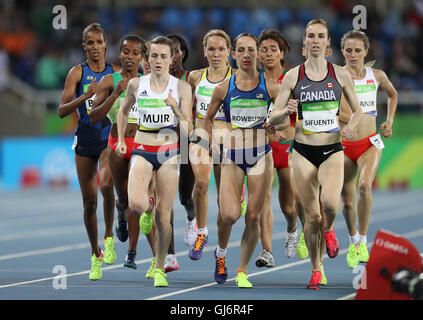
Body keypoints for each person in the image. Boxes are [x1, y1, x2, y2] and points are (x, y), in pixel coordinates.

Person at [269, 19, 362, 290]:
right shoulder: (293, 76)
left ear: (328, 43)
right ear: (305, 42)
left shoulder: (340, 74)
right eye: (311, 36)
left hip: (332, 148)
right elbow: (273, 116)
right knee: (312, 216)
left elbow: (357, 111)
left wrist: (351, 128)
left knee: (331, 206)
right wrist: (285, 111)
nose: (316, 40)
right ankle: (316, 269)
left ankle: (330, 229)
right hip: (302, 150)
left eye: (321, 36)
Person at [116, 36, 193, 287]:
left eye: (163, 56)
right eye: (154, 56)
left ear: (172, 59)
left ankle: (159, 267)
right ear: (147, 59)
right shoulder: (137, 85)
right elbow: (124, 111)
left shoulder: (181, 88)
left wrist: (175, 109)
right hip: (141, 146)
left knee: (164, 215)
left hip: (169, 150)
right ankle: (148, 206)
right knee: (136, 205)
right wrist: (119, 139)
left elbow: (188, 129)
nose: (158, 61)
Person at [205, 33, 280, 288]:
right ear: (234, 55)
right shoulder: (224, 88)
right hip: (234, 156)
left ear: (258, 54)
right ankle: (221, 254)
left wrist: (277, 128)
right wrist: (213, 139)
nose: (247, 55)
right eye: (241, 50)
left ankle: (241, 271)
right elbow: (207, 118)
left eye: (251, 50)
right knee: (228, 215)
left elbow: (285, 123)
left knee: (253, 217)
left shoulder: (270, 87)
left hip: (261, 155)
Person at [89, 33, 158, 278]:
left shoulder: (149, 83)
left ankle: (138, 255)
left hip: (142, 144)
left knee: (139, 199)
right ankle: (119, 209)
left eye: (135, 53)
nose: (130, 57)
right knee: (123, 198)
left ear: (142, 57)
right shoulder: (110, 80)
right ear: (120, 54)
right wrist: (116, 94)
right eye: (126, 52)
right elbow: (94, 117)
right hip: (117, 143)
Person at [57, 23, 120, 280]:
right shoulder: (76, 73)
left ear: (106, 44)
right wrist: (84, 97)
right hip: (84, 141)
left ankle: (109, 236)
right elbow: (61, 111)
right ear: (84, 46)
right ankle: (96, 254)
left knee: (106, 184)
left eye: (99, 42)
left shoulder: (115, 72)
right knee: (89, 202)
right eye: (90, 43)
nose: (95, 47)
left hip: (108, 140)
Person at [339, 30, 397, 269]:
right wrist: (345, 120)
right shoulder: (337, 76)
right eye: (348, 50)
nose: (353, 55)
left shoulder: (378, 75)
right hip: (344, 145)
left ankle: (363, 240)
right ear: (342, 51)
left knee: (364, 185)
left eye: (357, 50)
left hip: (370, 142)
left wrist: (390, 120)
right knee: (347, 202)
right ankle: (353, 240)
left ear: (366, 52)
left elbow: (393, 95)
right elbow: (333, 108)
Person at [188, 29, 247, 261]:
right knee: (201, 182)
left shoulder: (239, 77)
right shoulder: (195, 77)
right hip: (201, 136)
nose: (216, 53)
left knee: (226, 207)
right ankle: (201, 234)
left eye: (221, 49)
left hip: (228, 142)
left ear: (229, 52)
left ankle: (221, 253)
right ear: (204, 51)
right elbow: (188, 109)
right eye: (211, 49)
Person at [255, 29, 298, 268]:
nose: (268, 53)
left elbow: (302, 118)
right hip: (263, 148)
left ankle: (292, 229)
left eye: (274, 49)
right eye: (264, 49)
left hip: (287, 147)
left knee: (288, 206)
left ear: (282, 53)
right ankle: (267, 251)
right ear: (258, 54)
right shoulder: (253, 82)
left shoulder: (292, 81)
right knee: (263, 200)